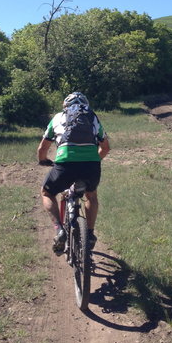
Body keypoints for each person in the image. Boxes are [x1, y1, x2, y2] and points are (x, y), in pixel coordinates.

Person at [37, 91, 110, 255]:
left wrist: (44, 160)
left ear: (65, 106)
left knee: (47, 192)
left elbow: (42, 148)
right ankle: (90, 234)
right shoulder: (92, 117)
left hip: (65, 164)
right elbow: (105, 147)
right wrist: (94, 160)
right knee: (91, 196)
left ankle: (59, 230)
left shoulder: (57, 118)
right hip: (91, 165)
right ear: (86, 105)